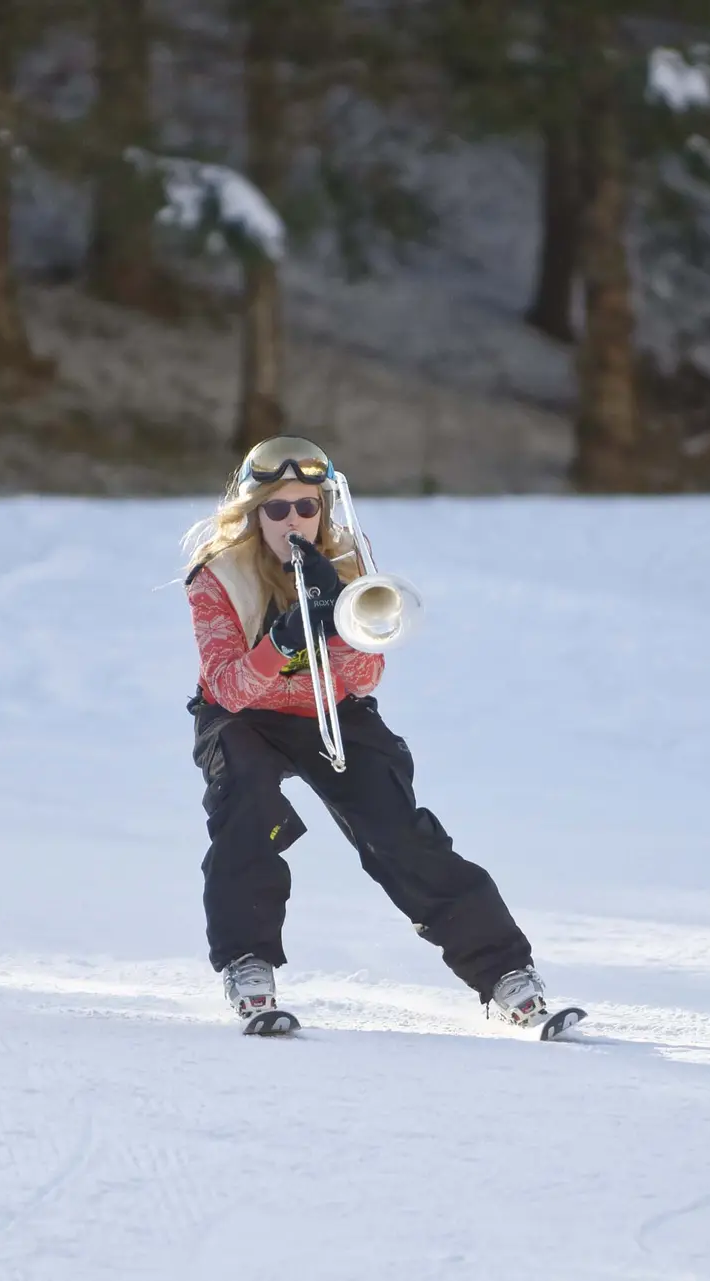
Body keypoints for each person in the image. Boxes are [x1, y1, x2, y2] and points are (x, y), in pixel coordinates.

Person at [180, 436, 550, 1028]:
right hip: (241, 717)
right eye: (277, 509)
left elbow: (365, 675)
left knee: (397, 832)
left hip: (334, 711)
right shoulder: (216, 575)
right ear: (254, 514)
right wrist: (283, 640)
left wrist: (331, 622)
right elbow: (227, 687)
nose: (294, 520)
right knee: (246, 804)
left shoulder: (350, 563)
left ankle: (505, 973)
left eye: (307, 506)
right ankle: (248, 964)